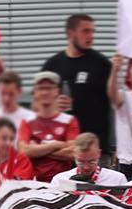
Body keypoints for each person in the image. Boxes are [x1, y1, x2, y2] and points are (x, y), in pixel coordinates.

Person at [41, 13, 113, 148]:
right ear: (70, 33)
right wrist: (53, 105)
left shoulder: (102, 64)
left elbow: (115, 103)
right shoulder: (53, 65)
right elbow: (37, 106)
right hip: (61, 147)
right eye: (86, 31)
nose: (91, 36)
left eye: (93, 31)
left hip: (95, 147)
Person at [15, 72, 79, 182]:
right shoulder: (27, 121)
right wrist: (57, 144)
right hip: (35, 182)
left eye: (49, 88)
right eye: (41, 88)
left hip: (63, 182)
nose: (45, 92)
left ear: (57, 91)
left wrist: (38, 148)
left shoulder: (69, 121)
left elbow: (74, 153)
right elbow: (24, 151)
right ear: (35, 92)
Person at [48, 134, 126, 189]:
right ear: (74, 154)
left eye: (92, 161)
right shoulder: (60, 180)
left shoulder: (117, 180)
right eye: (81, 161)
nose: (86, 167)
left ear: (99, 154)